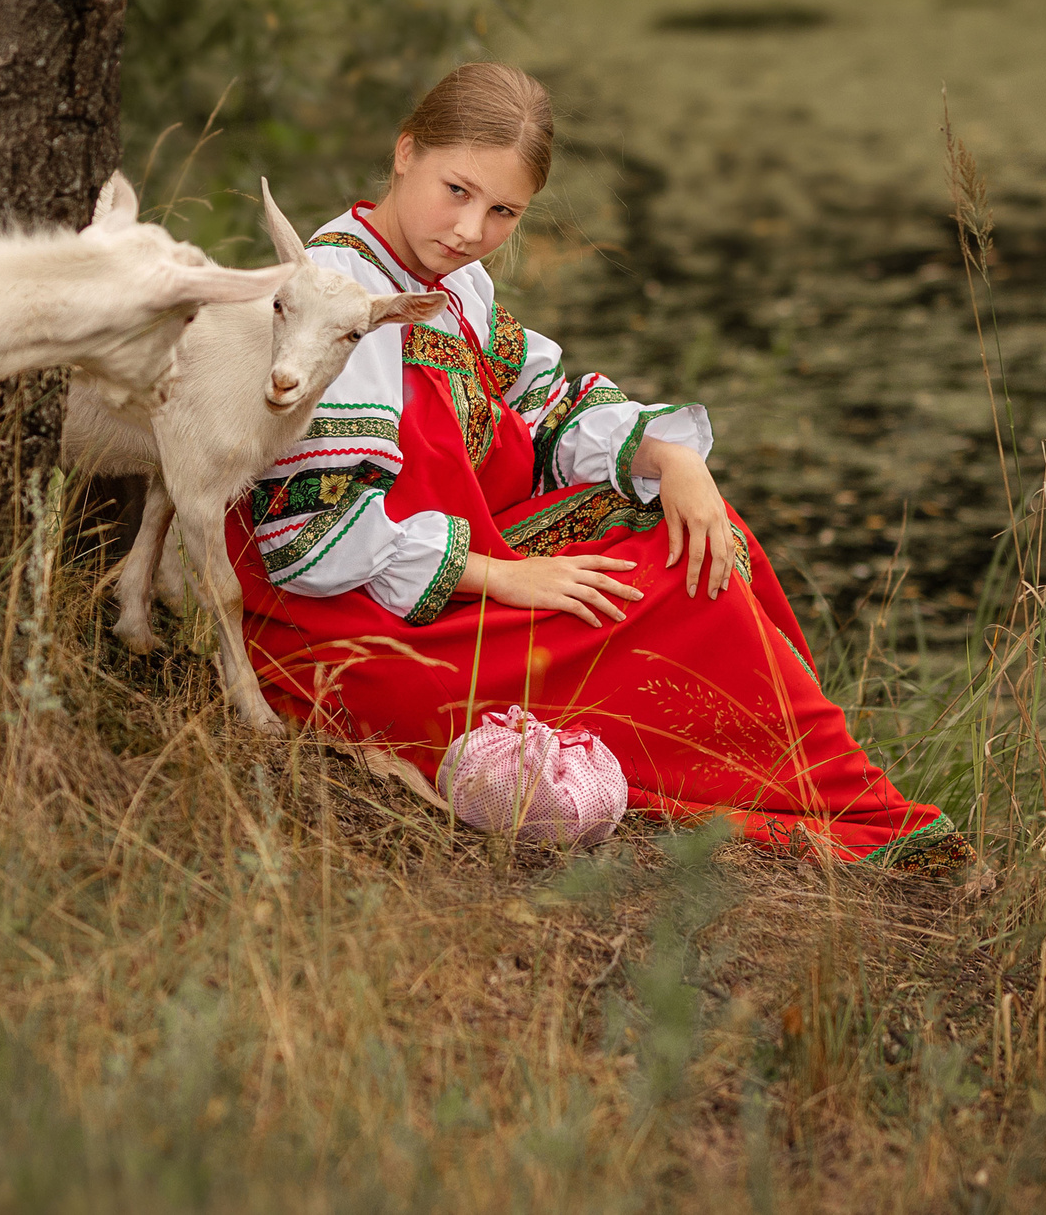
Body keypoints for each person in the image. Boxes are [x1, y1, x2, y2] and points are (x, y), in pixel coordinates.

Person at [227, 62, 967, 868]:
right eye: (457, 190)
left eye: (503, 210)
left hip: (440, 575)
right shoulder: (342, 292)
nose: (472, 229)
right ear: (406, 152)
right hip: (352, 635)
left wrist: (672, 455)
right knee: (679, 593)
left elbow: (540, 407)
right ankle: (849, 817)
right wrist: (505, 578)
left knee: (702, 540)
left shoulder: (452, 278)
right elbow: (306, 542)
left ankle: (836, 795)